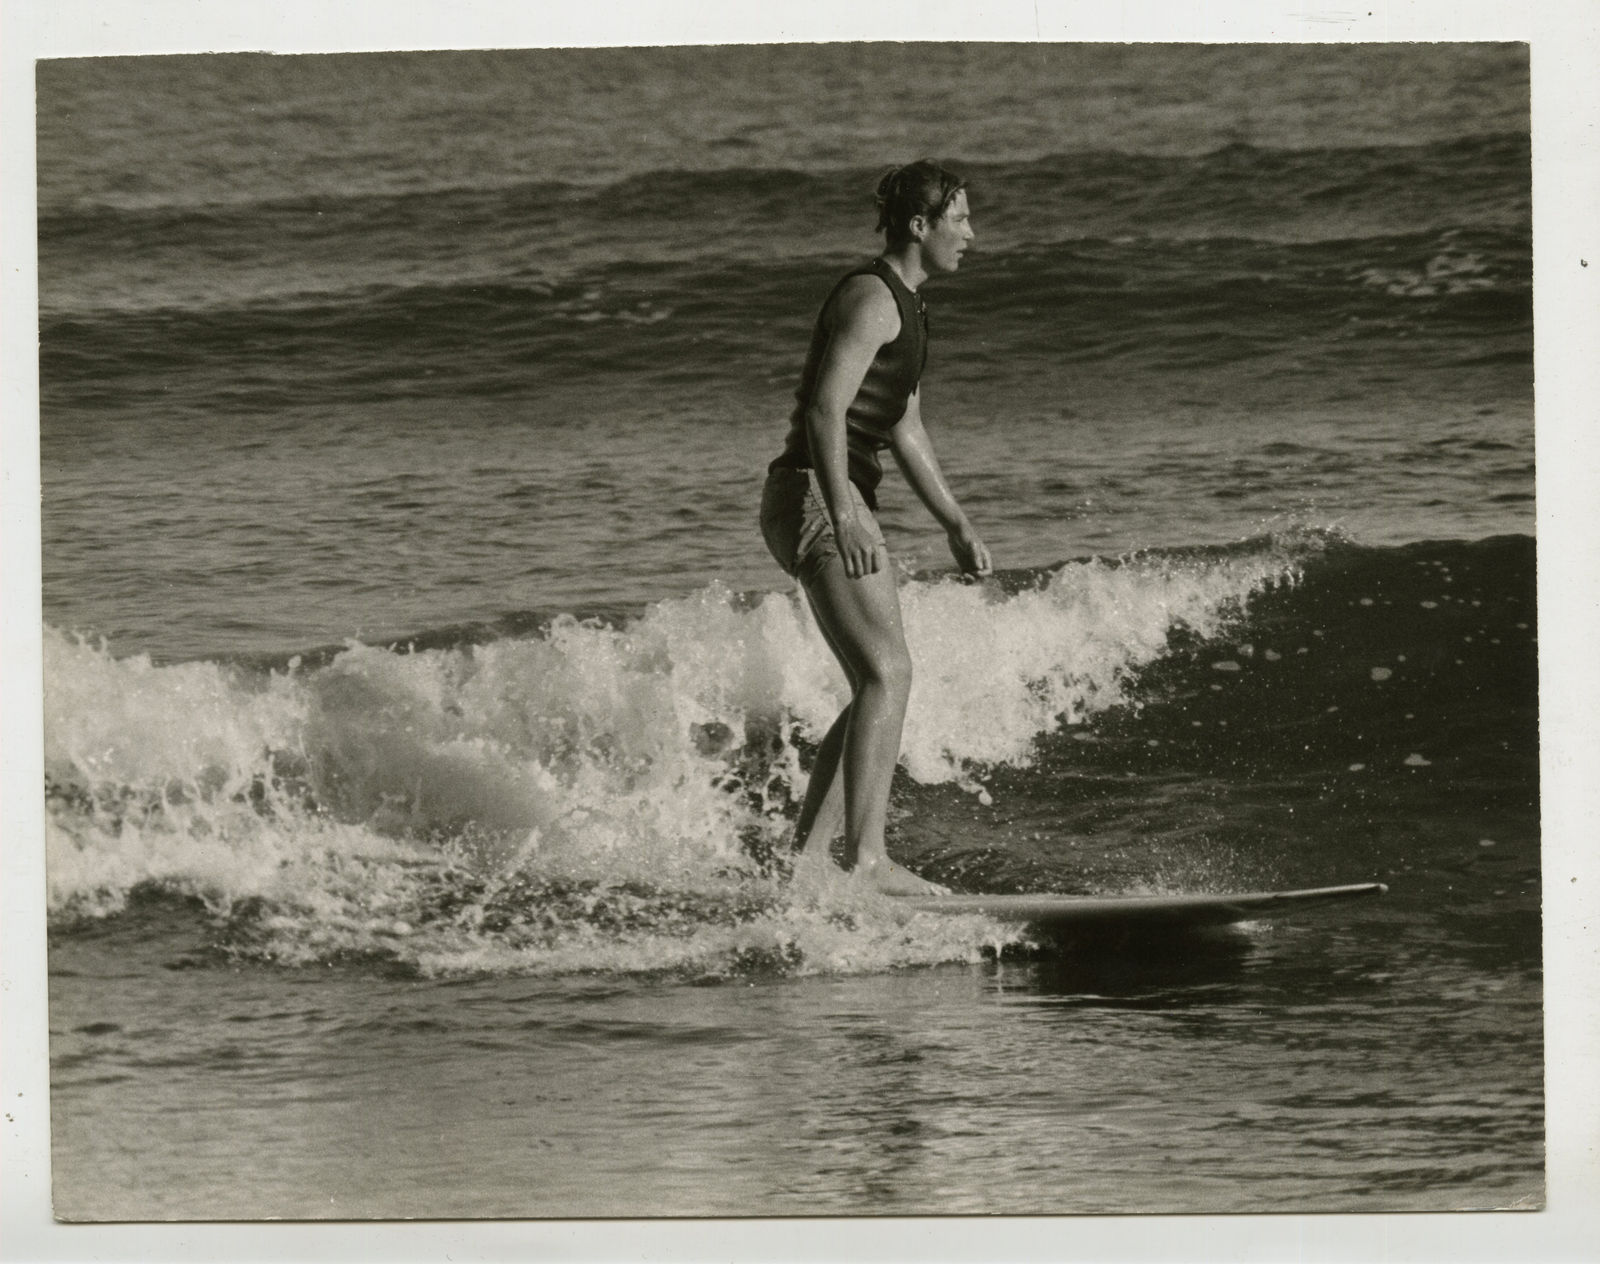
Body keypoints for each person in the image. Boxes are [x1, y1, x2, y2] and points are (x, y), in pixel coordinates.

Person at [759, 159, 991, 896]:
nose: (971, 235)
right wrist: (845, 511)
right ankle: (867, 860)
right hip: (814, 495)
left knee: (876, 681)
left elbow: (904, 423)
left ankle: (804, 868)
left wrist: (953, 520)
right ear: (920, 227)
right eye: (960, 220)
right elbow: (826, 410)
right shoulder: (872, 299)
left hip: (829, 494)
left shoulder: (912, 308)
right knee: (889, 673)